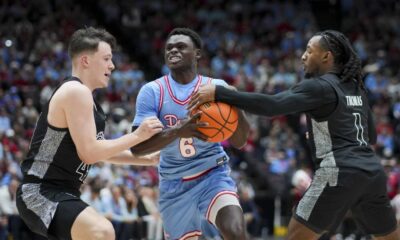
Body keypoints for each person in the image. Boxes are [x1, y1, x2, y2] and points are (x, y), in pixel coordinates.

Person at [188, 30, 399, 240]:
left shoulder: (319, 86)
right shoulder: (356, 89)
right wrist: (328, 132)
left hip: (338, 170)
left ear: (326, 56)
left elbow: (273, 106)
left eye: (309, 50)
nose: (303, 56)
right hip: (372, 172)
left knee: (297, 236)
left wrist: (222, 93)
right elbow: (370, 136)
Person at [16, 27, 202, 240]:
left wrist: (150, 159)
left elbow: (101, 151)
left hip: (61, 192)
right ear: (85, 61)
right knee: (101, 231)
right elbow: (89, 153)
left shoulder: (88, 99)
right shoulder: (75, 92)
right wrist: (138, 136)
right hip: (40, 192)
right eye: (106, 59)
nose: (112, 66)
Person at [130, 27, 250, 240]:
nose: (173, 51)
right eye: (169, 48)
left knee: (236, 232)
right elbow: (137, 148)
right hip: (174, 184)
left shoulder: (216, 88)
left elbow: (240, 142)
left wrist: (236, 102)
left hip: (213, 175)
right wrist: (178, 131)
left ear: (197, 54)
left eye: (180, 46)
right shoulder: (153, 92)